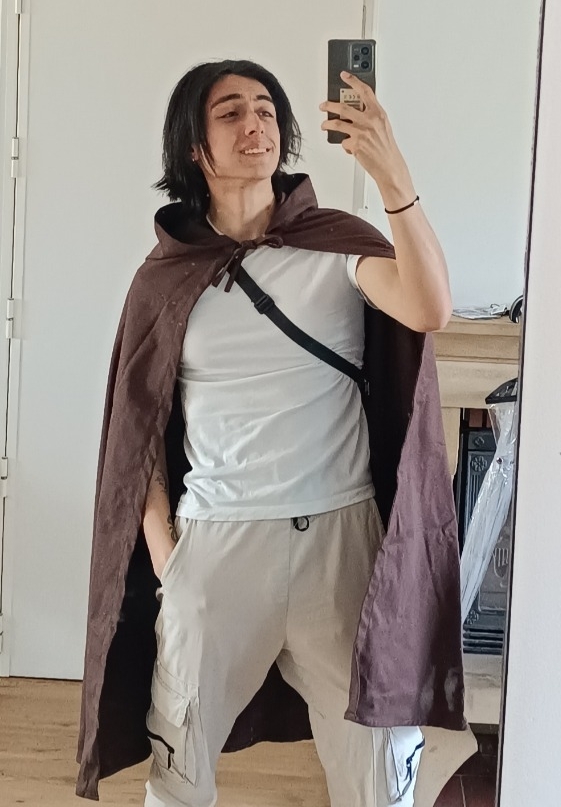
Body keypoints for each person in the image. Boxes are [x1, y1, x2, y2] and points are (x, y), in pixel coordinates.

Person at [76, 59, 465, 806]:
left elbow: (429, 308)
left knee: (378, 773)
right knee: (179, 770)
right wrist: (165, 552)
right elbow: (138, 429)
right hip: (215, 544)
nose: (254, 124)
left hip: (339, 542)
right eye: (229, 113)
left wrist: (394, 179)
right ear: (195, 146)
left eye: (265, 110)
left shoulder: (336, 247)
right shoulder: (165, 276)